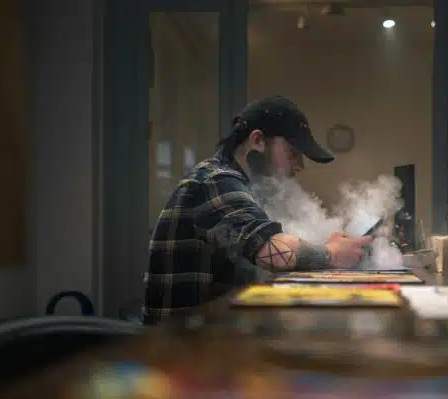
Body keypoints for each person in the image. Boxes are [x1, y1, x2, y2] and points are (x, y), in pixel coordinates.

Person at [143, 95, 373, 324]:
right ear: (258, 141)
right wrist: (331, 253)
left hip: (205, 338)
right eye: (293, 152)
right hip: (180, 347)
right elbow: (272, 253)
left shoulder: (239, 185)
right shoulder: (215, 181)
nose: (300, 165)